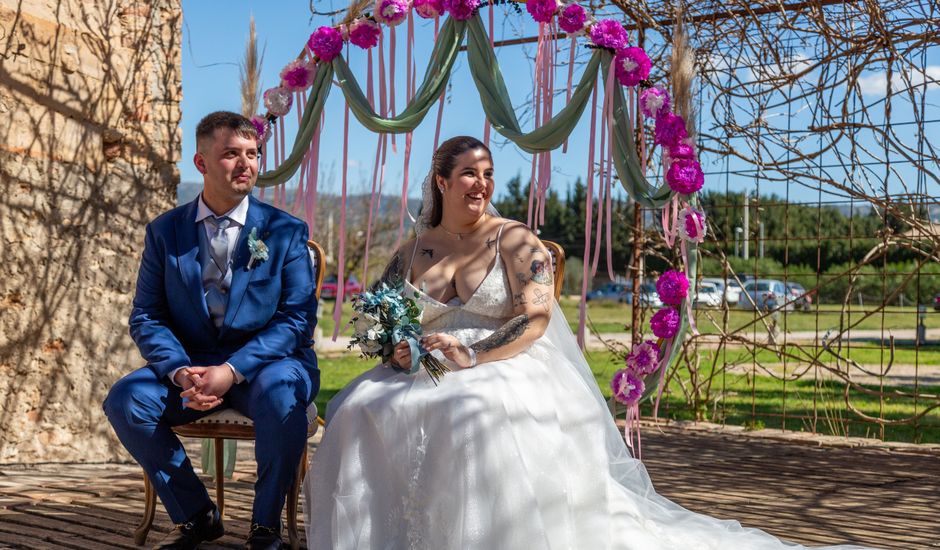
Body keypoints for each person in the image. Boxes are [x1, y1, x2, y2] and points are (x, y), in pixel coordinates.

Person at [303, 136, 867, 549]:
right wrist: (398, 348)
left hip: (502, 359)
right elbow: (381, 320)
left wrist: (472, 355)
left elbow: (536, 318)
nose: (480, 184)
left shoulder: (516, 240)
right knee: (355, 408)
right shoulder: (412, 249)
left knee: (466, 411)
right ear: (442, 181)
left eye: (488, 173)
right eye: (469, 173)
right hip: (424, 362)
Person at [103, 111, 319, 550]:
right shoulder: (165, 232)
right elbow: (147, 315)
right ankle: (197, 516)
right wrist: (181, 371)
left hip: (269, 367)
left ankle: (265, 529)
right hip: (191, 369)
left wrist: (233, 369)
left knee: (283, 394)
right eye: (231, 154)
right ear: (201, 163)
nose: (246, 164)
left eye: (253, 154)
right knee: (126, 400)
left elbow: (296, 320)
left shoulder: (285, 232)